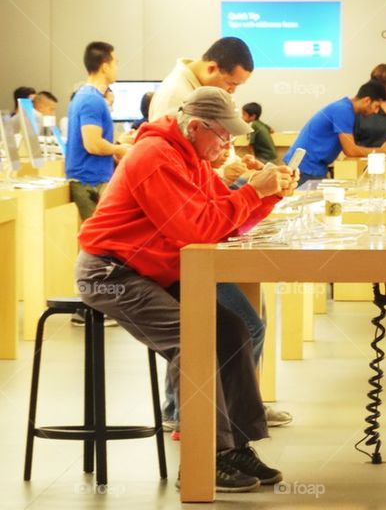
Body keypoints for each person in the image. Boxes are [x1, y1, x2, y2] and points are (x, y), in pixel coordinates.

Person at [75, 87, 296, 493]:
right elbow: (194, 230)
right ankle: (203, 457)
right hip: (110, 273)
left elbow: (223, 223)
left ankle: (233, 446)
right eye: (223, 136)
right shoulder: (155, 157)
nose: (228, 144)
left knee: (232, 330)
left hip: (148, 269)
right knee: (191, 336)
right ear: (195, 127)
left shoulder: (192, 157)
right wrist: (253, 191)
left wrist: (268, 194)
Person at [150, 37, 257, 186]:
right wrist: (220, 172)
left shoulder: (205, 91)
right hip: (192, 187)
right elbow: (168, 162)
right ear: (211, 68)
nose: (232, 91)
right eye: (231, 83)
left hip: (210, 183)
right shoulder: (175, 95)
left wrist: (235, 162)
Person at [65, 42, 127, 222]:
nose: (117, 68)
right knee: (100, 240)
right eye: (115, 62)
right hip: (90, 181)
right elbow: (92, 144)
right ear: (105, 66)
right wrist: (121, 150)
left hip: (92, 179)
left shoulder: (87, 96)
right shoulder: (91, 99)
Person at [285, 82, 386, 185]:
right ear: (367, 100)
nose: (376, 112)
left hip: (312, 166)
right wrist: (381, 151)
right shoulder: (343, 110)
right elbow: (350, 150)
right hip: (305, 167)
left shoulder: (345, 108)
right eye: (376, 106)